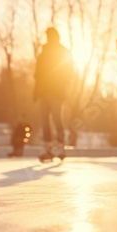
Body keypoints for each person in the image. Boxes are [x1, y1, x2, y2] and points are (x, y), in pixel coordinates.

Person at [34, 27, 74, 162]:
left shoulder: (63, 51)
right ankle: (48, 150)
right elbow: (37, 73)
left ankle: (61, 148)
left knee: (57, 120)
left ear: (56, 36)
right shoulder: (43, 52)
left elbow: (69, 70)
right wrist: (36, 91)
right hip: (43, 91)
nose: (49, 38)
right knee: (44, 122)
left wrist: (62, 85)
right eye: (47, 35)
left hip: (56, 92)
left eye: (51, 35)